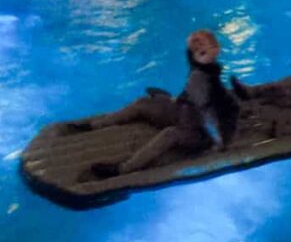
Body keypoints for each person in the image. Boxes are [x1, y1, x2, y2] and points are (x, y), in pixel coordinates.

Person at [86, 30, 239, 179]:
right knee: (143, 103)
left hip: (200, 132)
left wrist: (219, 142)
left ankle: (123, 169)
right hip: (183, 113)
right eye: (195, 44)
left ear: (215, 50)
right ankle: (96, 125)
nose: (198, 47)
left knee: (169, 134)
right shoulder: (199, 69)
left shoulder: (211, 84)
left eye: (203, 45)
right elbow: (195, 72)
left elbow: (211, 114)